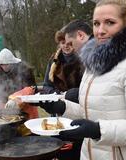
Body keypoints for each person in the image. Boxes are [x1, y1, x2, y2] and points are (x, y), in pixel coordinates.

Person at [41, 0, 126, 160]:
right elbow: (92, 113)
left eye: (110, 22)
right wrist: (63, 107)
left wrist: (98, 130)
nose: (100, 30)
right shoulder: (93, 66)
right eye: (96, 23)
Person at [39, 21, 92, 160]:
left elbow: (87, 89)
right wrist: (55, 95)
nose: (66, 46)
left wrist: (69, 95)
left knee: (77, 147)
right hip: (57, 110)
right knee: (59, 146)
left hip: (78, 109)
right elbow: (46, 85)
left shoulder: (83, 59)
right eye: (63, 43)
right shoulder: (54, 61)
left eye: (69, 43)